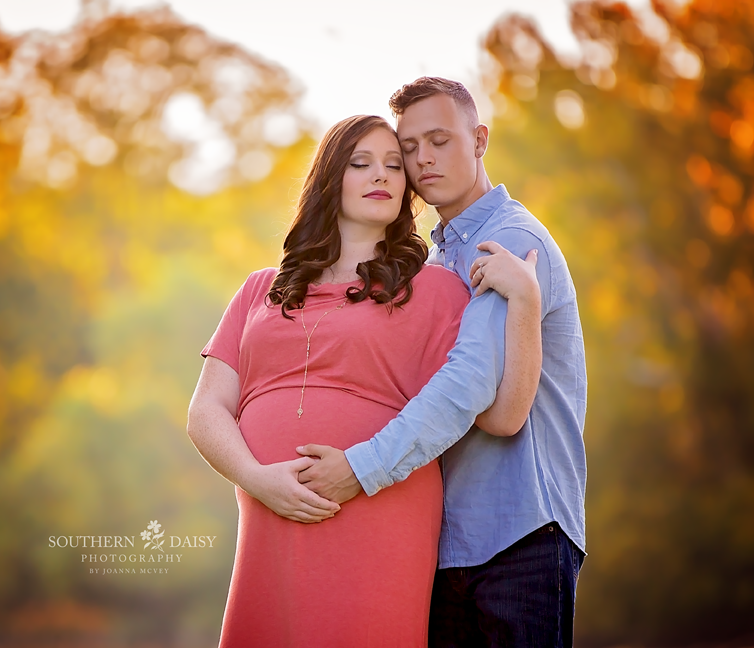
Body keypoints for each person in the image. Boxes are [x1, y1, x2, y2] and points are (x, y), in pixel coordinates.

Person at [186, 114, 542, 647]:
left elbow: (502, 415)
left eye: (395, 166)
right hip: (268, 511)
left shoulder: (436, 290)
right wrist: (256, 479)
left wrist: (526, 304)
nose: (382, 175)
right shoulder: (259, 290)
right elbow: (205, 411)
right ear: (330, 178)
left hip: (378, 511)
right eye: (361, 163)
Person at [296, 77, 588, 647]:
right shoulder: (436, 258)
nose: (423, 159)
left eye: (439, 140)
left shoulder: (508, 240)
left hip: (521, 534)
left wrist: (360, 468)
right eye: (409, 147)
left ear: (479, 140)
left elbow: (477, 394)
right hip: (446, 540)